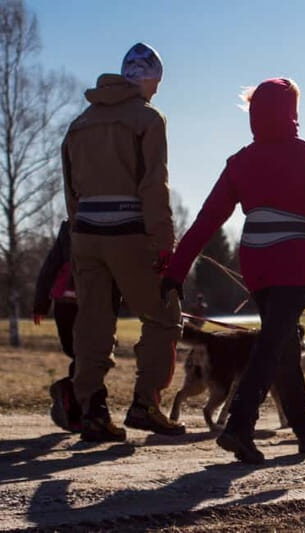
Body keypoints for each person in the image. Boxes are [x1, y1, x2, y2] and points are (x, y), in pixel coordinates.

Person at [162, 78, 305, 464]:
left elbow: (206, 221)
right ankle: (240, 424)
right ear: (293, 112)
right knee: (272, 344)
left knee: (283, 342)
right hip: (293, 264)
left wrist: (176, 270)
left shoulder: (241, 161)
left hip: (256, 263)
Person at [62, 43, 184, 442]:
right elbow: (153, 186)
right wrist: (165, 244)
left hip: (85, 235)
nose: (157, 90)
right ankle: (145, 404)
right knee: (164, 314)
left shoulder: (80, 123)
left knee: (93, 323)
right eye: (156, 82)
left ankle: (92, 410)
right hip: (129, 232)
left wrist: (78, 231)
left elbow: (70, 189)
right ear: (147, 79)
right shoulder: (147, 118)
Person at [33, 220, 122, 433]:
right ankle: (75, 402)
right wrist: (40, 303)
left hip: (87, 301)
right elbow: (52, 263)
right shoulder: (74, 225)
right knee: (87, 355)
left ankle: (72, 400)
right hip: (70, 302)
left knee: (88, 355)